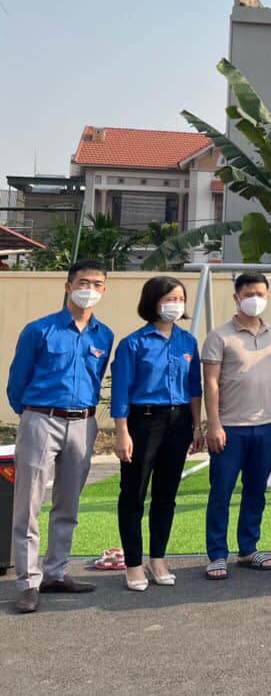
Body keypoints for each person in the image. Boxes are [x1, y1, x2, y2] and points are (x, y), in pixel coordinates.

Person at [7, 260, 114, 614]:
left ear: (104, 290)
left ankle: (55, 572)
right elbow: (17, 381)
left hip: (83, 423)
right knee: (29, 503)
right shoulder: (40, 330)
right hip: (41, 419)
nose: (89, 289)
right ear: (68, 286)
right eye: (83, 282)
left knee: (68, 503)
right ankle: (28, 581)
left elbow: (96, 378)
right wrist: (32, 415)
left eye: (97, 284)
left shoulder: (104, 335)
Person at [110, 276, 203, 591]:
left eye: (180, 299)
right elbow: (121, 391)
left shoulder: (188, 342)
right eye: (169, 299)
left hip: (178, 423)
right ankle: (133, 563)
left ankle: (158, 559)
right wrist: (122, 432)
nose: (175, 305)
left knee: (166, 495)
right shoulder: (133, 343)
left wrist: (197, 425)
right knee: (133, 494)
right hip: (143, 421)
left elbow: (194, 387)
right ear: (153, 301)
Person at [203, 271, 271, 580]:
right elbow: (211, 383)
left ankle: (248, 548)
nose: (255, 299)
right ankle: (217, 554)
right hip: (230, 428)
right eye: (249, 295)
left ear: (267, 296)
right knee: (221, 493)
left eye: (260, 294)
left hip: (265, 426)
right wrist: (214, 425)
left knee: (256, 491)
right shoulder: (219, 336)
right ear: (236, 298)